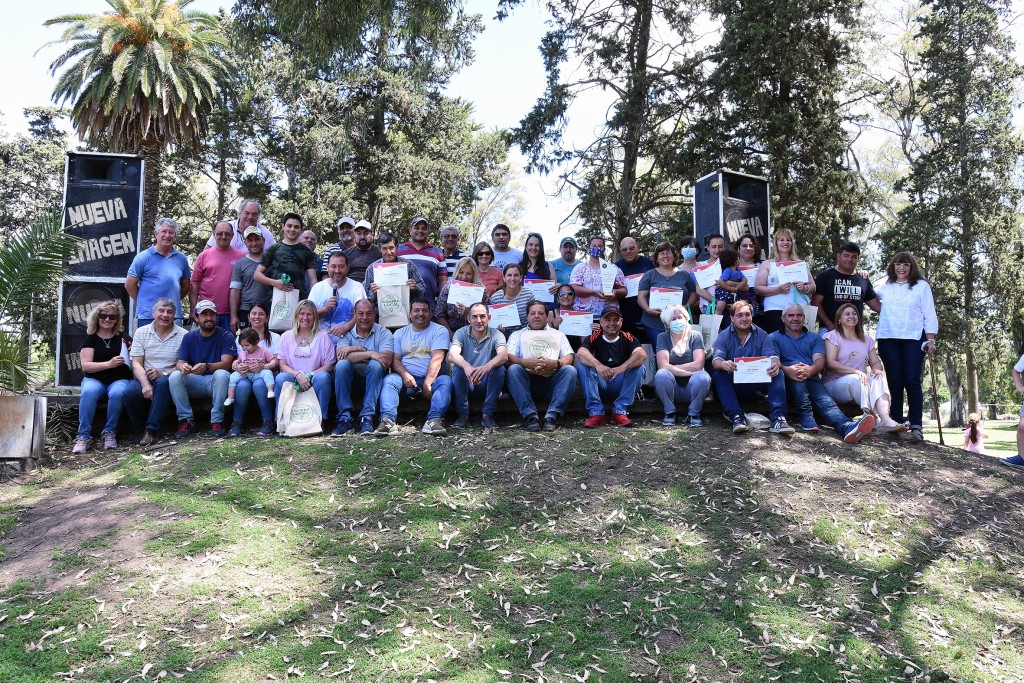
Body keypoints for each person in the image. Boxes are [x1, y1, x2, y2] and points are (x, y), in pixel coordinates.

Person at [771, 303, 876, 443]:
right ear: (783, 318)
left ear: (804, 318)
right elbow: (774, 361)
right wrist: (787, 369)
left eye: (799, 315)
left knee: (827, 403)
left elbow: (819, 360)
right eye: (791, 315)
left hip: (811, 378)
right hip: (787, 385)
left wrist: (810, 370)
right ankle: (806, 415)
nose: (795, 318)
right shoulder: (773, 337)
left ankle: (847, 426)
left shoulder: (814, 337)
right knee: (797, 373)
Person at [875, 251, 938, 442]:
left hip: (913, 337)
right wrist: (862, 276)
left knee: (911, 380)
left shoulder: (921, 286)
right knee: (894, 381)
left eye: (905, 265)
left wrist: (931, 339)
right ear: (893, 266)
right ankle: (895, 423)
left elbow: (929, 312)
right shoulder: (885, 284)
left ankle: (916, 426)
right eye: (898, 264)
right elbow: (869, 294)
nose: (901, 268)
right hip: (888, 337)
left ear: (912, 267)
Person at [711, 300, 795, 435]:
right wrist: (723, 364)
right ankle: (737, 417)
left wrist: (775, 363)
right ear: (732, 318)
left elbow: (772, 355)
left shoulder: (762, 335)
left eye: (747, 315)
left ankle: (778, 419)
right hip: (733, 386)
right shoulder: (723, 336)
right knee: (718, 374)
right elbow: (716, 361)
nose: (744, 318)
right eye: (740, 315)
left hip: (756, 386)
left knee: (777, 372)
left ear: (752, 316)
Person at [374, 298, 452, 437]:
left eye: (424, 310)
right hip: (406, 382)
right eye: (416, 310)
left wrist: (428, 383)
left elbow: (437, 358)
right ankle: (387, 421)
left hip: (432, 380)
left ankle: (434, 420)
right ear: (410, 314)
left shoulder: (440, 331)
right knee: (390, 379)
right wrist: (405, 375)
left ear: (430, 314)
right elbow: (395, 359)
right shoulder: (399, 333)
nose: (420, 313)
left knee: (445, 380)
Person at [822, 303, 905, 432]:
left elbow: (876, 362)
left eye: (854, 313)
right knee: (857, 378)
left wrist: (877, 369)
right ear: (839, 319)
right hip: (834, 383)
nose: (851, 316)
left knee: (878, 376)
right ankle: (874, 418)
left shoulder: (866, 340)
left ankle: (885, 418)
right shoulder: (832, 336)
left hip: (860, 382)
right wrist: (855, 371)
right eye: (847, 314)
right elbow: (831, 363)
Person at [73, 300, 140, 453]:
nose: (107, 319)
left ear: (117, 319)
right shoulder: (90, 339)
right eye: (103, 315)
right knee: (89, 391)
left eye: (112, 316)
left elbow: (137, 356)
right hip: (94, 379)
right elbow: (86, 366)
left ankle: (109, 432)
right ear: (97, 317)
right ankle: (83, 436)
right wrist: (109, 364)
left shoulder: (124, 338)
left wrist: (132, 352)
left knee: (118, 393)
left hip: (119, 380)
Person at [506, 300, 578, 431]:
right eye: (533, 313)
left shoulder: (558, 334)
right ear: (527, 316)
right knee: (513, 369)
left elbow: (570, 356)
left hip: (551, 383)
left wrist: (556, 363)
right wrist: (523, 362)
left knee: (570, 370)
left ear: (547, 316)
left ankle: (552, 416)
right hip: (526, 384)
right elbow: (507, 357)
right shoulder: (517, 335)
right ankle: (530, 416)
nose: (536, 316)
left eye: (540, 313)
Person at [168, 300, 237, 437]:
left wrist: (207, 366)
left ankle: (217, 421)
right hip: (196, 381)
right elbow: (180, 362)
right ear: (196, 317)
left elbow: (227, 364)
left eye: (212, 314)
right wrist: (184, 367)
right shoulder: (189, 337)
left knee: (222, 374)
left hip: (217, 382)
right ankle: (186, 421)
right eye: (204, 314)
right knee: (175, 376)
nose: (209, 318)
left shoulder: (225, 335)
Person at [576, 304, 647, 427]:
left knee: (640, 368)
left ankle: (620, 411)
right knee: (583, 367)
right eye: (608, 320)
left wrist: (621, 368)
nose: (612, 323)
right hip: (600, 383)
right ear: (601, 322)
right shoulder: (593, 337)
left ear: (621, 321)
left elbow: (641, 355)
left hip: (620, 383)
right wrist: (598, 365)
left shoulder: (628, 337)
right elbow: (581, 353)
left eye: (616, 320)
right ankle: (596, 413)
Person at [130, 298, 188, 446]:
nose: (165, 315)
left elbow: (184, 364)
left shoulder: (184, 335)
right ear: (153, 313)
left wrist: (163, 374)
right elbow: (136, 362)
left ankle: (151, 431)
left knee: (163, 384)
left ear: (174, 315)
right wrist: (145, 384)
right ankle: (139, 430)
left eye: (169, 312)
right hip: (144, 376)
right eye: (161, 311)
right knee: (129, 392)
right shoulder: (141, 332)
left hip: (168, 377)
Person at [332, 299, 394, 435]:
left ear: (374, 314)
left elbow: (386, 360)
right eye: (360, 313)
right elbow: (341, 357)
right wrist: (370, 353)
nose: (364, 317)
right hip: (352, 381)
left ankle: (367, 417)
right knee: (341, 365)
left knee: (376, 364)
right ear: (354, 314)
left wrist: (352, 352)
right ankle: (344, 418)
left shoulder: (384, 332)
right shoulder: (347, 333)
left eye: (368, 313)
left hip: (375, 381)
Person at [274, 299, 336, 429]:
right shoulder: (285, 336)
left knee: (323, 377)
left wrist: (309, 375)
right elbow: (282, 365)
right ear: (296, 315)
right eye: (302, 313)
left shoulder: (323, 336)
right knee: (281, 378)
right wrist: (297, 375)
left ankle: (320, 421)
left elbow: (329, 365)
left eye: (309, 314)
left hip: (315, 376)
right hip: (293, 376)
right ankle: (282, 421)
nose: (305, 318)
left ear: (315, 317)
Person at [449, 302, 508, 430]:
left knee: (499, 368)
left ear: (489, 318)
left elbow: (503, 355)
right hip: (466, 382)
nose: (479, 320)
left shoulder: (496, 334)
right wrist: (466, 366)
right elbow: (452, 355)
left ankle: (488, 415)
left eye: (482, 316)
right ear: (468, 318)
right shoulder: (461, 333)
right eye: (474, 317)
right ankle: (462, 414)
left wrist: (487, 367)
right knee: (458, 368)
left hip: (485, 383)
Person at [227, 302, 280, 438]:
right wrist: (238, 366)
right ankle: (237, 422)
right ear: (248, 317)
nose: (257, 317)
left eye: (261, 314)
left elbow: (277, 362)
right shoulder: (240, 337)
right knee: (242, 385)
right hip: (246, 374)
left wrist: (263, 366)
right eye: (254, 314)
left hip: (266, 376)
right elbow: (237, 359)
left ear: (267, 317)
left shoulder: (275, 337)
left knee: (259, 384)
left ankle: (268, 421)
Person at [125, 217, 191, 327]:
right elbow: (129, 285)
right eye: (164, 232)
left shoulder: (181, 259)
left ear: (175, 236)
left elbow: (186, 286)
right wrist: (144, 302)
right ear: (156, 234)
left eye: (171, 232)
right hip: (147, 316)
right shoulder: (143, 257)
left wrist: (171, 302)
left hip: (173, 316)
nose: (167, 235)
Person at [653, 304, 711, 427]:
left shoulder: (695, 336)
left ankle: (694, 414)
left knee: (703, 377)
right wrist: (689, 372)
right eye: (673, 319)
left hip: (693, 387)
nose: (677, 321)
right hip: (671, 388)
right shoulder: (662, 337)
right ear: (667, 324)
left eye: (680, 317)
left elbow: (699, 365)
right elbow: (663, 366)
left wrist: (672, 368)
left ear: (686, 318)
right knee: (661, 374)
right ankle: (669, 413)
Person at [754, 228, 815, 334]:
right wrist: (778, 290)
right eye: (781, 240)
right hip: (775, 309)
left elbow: (813, 287)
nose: (785, 242)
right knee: (777, 340)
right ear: (776, 243)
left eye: (788, 240)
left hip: (801, 309)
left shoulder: (800, 263)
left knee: (802, 340)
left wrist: (805, 288)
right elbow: (758, 288)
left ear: (792, 243)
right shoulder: (768, 264)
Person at [812, 242, 880, 333]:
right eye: (846, 255)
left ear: (858, 259)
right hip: (829, 330)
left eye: (854, 257)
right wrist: (829, 325)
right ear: (839, 256)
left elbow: (877, 306)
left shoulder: (863, 279)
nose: (850, 259)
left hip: (855, 332)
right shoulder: (825, 276)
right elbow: (815, 303)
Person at [638, 242, 697, 346]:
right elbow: (641, 297)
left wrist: (686, 307)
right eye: (661, 253)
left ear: (674, 256)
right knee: (661, 350)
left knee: (679, 351)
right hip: (654, 323)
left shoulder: (684, 274)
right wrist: (648, 310)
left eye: (668, 252)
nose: (665, 256)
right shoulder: (649, 275)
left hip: (678, 322)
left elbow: (693, 294)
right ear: (656, 258)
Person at [190, 220, 245, 329]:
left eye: (227, 234)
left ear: (232, 236)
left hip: (231, 314)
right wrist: (193, 310)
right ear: (214, 235)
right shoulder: (204, 256)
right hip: (206, 312)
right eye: (219, 233)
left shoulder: (241, 257)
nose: (223, 237)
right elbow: (194, 284)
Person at [362, 231, 428, 317]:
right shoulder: (372, 269)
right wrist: (373, 293)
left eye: (391, 248)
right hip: (380, 316)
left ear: (396, 247)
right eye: (384, 248)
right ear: (380, 249)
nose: (389, 252)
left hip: (405, 315)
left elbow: (423, 289)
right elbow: (365, 297)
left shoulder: (408, 265)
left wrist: (415, 288)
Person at [255, 213, 319, 301]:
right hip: (276, 298)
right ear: (283, 226)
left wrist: (312, 301)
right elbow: (257, 275)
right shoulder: (273, 249)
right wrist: (275, 283)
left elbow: (313, 280)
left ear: (301, 229)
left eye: (296, 227)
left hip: (299, 299)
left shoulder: (306, 251)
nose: (292, 229)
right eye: (289, 226)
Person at [309, 251, 366, 337]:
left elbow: (363, 313)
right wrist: (325, 309)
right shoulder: (317, 287)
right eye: (333, 266)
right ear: (327, 267)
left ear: (348, 268)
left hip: (349, 340)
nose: (337, 270)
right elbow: (308, 315)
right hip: (322, 339)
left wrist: (345, 327)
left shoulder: (357, 287)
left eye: (341, 266)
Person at [570, 235, 627, 322]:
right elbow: (574, 288)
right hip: (584, 316)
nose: (597, 248)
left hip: (609, 317)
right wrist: (593, 292)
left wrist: (615, 292)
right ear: (589, 248)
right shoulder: (580, 268)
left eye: (600, 246)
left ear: (604, 248)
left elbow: (624, 290)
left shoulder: (613, 268)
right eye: (593, 246)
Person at [397, 215, 447, 308]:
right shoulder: (398, 250)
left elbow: (442, 281)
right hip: (401, 306)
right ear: (410, 230)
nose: (420, 231)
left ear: (428, 232)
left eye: (424, 228)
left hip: (428, 306)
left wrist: (441, 304)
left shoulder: (438, 253)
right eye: (416, 228)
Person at [434, 256, 491, 337]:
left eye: (468, 274)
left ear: (473, 274)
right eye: (461, 272)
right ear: (456, 272)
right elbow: (439, 314)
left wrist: (468, 312)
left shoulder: (480, 290)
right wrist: (451, 334)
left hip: (475, 334)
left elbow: (487, 315)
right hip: (450, 333)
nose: (464, 277)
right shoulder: (448, 288)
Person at [223, 327, 277, 410]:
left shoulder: (263, 351)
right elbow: (238, 360)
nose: (244, 348)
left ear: (256, 342)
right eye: (242, 346)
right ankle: (230, 397)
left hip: (258, 374)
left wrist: (265, 366)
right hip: (246, 373)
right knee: (233, 376)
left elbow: (273, 361)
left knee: (267, 373)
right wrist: (236, 364)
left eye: (247, 345)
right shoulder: (242, 353)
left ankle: (270, 390)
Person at [229, 226, 270, 332]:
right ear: (245, 242)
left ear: (263, 240)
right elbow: (235, 291)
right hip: (246, 311)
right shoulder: (240, 264)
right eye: (250, 240)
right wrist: (233, 316)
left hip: (269, 311)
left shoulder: (272, 261)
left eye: (257, 239)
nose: (254, 243)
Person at [615, 236, 655, 342]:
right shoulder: (615, 267)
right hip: (625, 319)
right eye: (624, 249)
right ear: (620, 251)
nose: (628, 251)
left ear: (638, 248)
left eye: (631, 248)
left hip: (647, 316)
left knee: (647, 348)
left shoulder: (649, 263)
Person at [206, 199, 275, 250]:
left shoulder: (265, 234)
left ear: (258, 216)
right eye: (247, 213)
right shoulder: (225, 228)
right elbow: (206, 252)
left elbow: (274, 257)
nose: (250, 217)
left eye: (254, 214)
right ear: (240, 213)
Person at [488, 263, 535, 337]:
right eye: (509, 275)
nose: (512, 278)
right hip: (502, 337)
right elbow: (491, 323)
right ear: (504, 278)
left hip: (524, 336)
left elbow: (533, 317)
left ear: (521, 278)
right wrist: (497, 330)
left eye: (516, 275)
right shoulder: (495, 298)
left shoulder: (529, 295)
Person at [550, 284, 588, 351]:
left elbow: (584, 343)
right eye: (561, 294)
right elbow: (548, 340)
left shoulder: (580, 317)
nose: (565, 296)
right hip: (556, 352)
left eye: (569, 294)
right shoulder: (551, 314)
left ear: (574, 298)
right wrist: (555, 328)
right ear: (557, 299)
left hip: (575, 352)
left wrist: (589, 329)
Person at [714, 248, 747, 315]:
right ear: (735, 261)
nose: (740, 260)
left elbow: (745, 279)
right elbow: (721, 281)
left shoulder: (738, 271)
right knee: (720, 305)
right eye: (738, 258)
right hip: (724, 291)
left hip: (734, 293)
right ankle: (716, 317)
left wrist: (741, 284)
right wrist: (730, 288)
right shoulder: (728, 270)